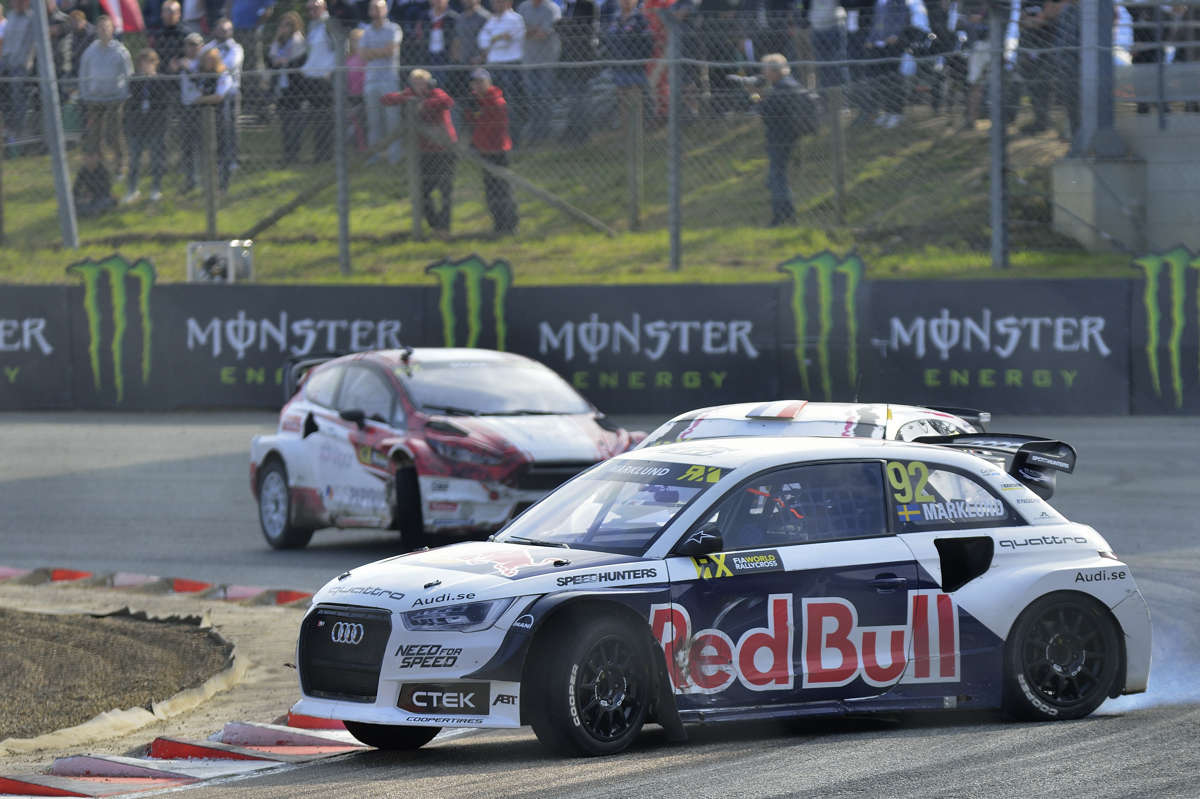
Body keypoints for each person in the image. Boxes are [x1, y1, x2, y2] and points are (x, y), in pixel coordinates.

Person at [382, 68, 456, 233]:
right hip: (425, 151)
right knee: (422, 191)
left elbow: (448, 102)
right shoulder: (410, 95)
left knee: (446, 191)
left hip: (444, 149)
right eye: (416, 83)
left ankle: (445, 227)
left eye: (422, 83)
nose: (419, 86)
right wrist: (409, 98)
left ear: (429, 83)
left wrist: (425, 103)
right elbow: (386, 99)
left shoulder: (436, 93)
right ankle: (435, 225)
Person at [747, 53, 805, 226]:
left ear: (775, 71)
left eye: (766, 70)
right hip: (785, 138)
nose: (764, 74)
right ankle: (786, 215)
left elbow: (766, 111)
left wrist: (754, 95)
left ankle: (781, 217)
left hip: (780, 140)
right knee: (777, 177)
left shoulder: (782, 88)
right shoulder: (787, 85)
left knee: (776, 178)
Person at [462, 67, 517, 234]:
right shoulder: (475, 101)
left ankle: (511, 224)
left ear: (488, 83)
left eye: (481, 82)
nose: (477, 86)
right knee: (491, 190)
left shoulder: (496, 102)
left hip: (498, 150)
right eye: (475, 82)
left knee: (503, 189)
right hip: (484, 150)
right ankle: (499, 225)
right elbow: (472, 122)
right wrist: (469, 110)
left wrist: (476, 141)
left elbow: (494, 127)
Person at [79, 15, 133, 178]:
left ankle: (120, 166)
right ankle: (100, 168)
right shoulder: (90, 51)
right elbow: (83, 74)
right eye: (100, 27)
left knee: (115, 134)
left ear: (112, 29)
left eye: (107, 27)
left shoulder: (120, 52)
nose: (103, 30)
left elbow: (129, 75)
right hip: (94, 100)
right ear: (96, 30)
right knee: (96, 136)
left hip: (114, 99)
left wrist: (123, 94)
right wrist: (85, 95)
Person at [123, 48, 171, 201]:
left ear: (155, 64)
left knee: (156, 157)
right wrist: (143, 78)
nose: (146, 66)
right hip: (138, 124)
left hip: (156, 124)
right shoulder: (135, 80)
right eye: (143, 63)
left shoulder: (161, 80)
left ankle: (156, 188)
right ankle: (132, 189)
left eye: (149, 62)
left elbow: (163, 100)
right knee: (135, 157)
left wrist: (151, 78)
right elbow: (133, 99)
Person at [477, 0, 525, 144]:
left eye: (500, 2)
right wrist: (498, 37)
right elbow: (481, 41)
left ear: (508, 3)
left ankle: (514, 139)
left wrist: (494, 39)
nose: (496, 5)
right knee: (493, 103)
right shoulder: (491, 21)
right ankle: (497, 137)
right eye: (494, 2)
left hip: (511, 64)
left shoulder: (515, 19)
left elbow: (509, 40)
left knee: (510, 103)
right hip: (494, 65)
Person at [360, 0, 402, 162]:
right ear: (369, 11)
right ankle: (374, 157)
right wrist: (382, 51)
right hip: (371, 81)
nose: (376, 11)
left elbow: (391, 50)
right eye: (373, 8)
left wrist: (373, 52)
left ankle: (395, 156)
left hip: (389, 80)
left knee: (393, 120)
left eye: (379, 8)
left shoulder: (394, 29)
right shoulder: (366, 31)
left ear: (385, 10)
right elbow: (362, 55)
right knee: (373, 122)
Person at [204, 18, 243, 189]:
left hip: (231, 92)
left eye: (226, 30)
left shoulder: (236, 49)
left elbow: (226, 65)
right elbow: (202, 61)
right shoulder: (209, 46)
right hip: (212, 92)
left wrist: (212, 63)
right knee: (216, 128)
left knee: (230, 127)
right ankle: (218, 159)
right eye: (220, 29)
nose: (223, 32)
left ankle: (232, 159)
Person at [515, 0, 558, 142]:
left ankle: (545, 133)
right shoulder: (523, 7)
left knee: (545, 97)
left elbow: (543, 34)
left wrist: (529, 30)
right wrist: (534, 29)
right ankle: (534, 133)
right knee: (532, 98)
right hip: (528, 61)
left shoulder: (551, 9)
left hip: (546, 61)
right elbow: (518, 31)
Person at [300, 0, 337, 162]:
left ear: (324, 8)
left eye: (315, 8)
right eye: (309, 9)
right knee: (316, 118)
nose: (312, 12)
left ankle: (326, 154)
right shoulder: (313, 27)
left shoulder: (330, 25)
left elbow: (341, 49)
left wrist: (330, 71)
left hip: (324, 78)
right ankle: (319, 153)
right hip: (311, 78)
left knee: (324, 118)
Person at [269, 10, 307, 162]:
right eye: (282, 25)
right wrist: (277, 61)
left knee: (296, 121)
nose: (284, 28)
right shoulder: (277, 43)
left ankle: (295, 153)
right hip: (281, 87)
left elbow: (299, 63)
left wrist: (284, 62)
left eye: (288, 25)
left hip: (295, 88)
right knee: (285, 122)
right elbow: (271, 62)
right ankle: (287, 153)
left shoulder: (299, 42)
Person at [557, 0, 597, 143]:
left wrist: (565, 25)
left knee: (581, 97)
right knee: (573, 97)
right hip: (567, 57)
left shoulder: (586, 5)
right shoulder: (566, 6)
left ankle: (582, 134)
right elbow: (561, 28)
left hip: (582, 58)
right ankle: (572, 130)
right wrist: (563, 25)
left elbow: (582, 28)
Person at [228, 0, 273, 120]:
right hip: (235, 30)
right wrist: (229, 22)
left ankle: (262, 108)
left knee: (255, 69)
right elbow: (229, 4)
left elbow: (269, 10)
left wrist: (256, 26)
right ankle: (244, 103)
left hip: (251, 31)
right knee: (238, 67)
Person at [0, 0, 37, 142]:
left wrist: (20, 62)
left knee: (17, 97)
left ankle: (20, 132)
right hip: (6, 61)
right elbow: (8, 41)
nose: (17, 3)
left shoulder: (32, 18)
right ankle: (6, 127)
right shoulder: (11, 16)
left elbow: (29, 45)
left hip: (21, 65)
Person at [177, 31, 205, 190]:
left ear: (201, 46)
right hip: (185, 107)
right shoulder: (183, 62)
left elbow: (198, 81)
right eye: (188, 45)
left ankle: (204, 179)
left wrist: (187, 69)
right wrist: (174, 70)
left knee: (201, 145)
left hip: (200, 108)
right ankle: (191, 181)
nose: (190, 48)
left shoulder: (203, 62)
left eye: (194, 45)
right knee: (187, 146)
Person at [73, 146, 117, 216]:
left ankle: (89, 211)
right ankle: (86, 211)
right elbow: (75, 189)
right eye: (85, 155)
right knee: (71, 204)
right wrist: (80, 198)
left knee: (104, 202)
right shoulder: (82, 171)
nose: (87, 157)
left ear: (98, 157)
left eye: (90, 155)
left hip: (100, 198)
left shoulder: (103, 171)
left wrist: (91, 198)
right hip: (86, 198)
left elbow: (106, 190)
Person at [453, 0, 492, 71]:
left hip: (483, 64)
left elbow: (491, 41)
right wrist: (456, 60)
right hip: (463, 64)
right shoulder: (459, 19)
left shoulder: (486, 18)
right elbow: (458, 40)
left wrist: (480, 58)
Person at [345, 27, 367, 150]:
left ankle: (366, 150)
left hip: (364, 94)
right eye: (354, 40)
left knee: (365, 124)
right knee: (355, 124)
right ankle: (359, 149)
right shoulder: (347, 59)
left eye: (359, 40)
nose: (356, 43)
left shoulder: (365, 57)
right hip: (352, 95)